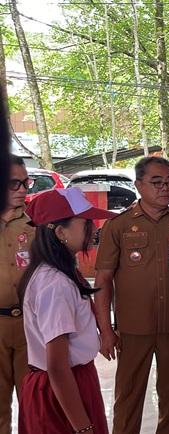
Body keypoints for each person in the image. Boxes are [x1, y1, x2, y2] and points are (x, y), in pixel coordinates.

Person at [94, 157, 169, 434]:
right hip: (133, 329)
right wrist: (106, 330)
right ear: (139, 185)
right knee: (128, 398)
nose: (165, 188)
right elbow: (103, 280)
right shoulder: (117, 226)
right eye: (157, 182)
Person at [17, 187, 116, 434]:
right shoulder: (55, 284)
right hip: (62, 390)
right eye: (86, 223)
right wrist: (83, 428)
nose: (94, 228)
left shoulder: (60, 273)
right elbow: (58, 367)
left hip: (70, 384)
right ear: (60, 232)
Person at [0, 155, 35, 433]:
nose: (23, 189)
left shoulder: (36, 225)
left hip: (29, 327)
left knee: (33, 404)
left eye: (26, 183)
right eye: (15, 184)